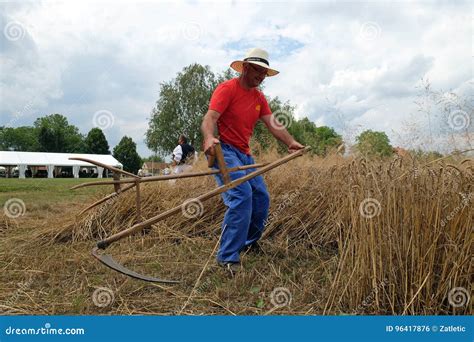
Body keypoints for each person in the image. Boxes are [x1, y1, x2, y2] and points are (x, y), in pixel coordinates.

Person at [201, 47, 304, 275]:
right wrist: (209, 137)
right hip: (224, 151)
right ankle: (227, 257)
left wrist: (291, 142)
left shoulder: (259, 98)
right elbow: (210, 117)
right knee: (241, 195)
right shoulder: (227, 89)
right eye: (257, 71)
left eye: (264, 74)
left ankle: (248, 242)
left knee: (261, 198)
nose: (260, 77)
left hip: (244, 154)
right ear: (245, 67)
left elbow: (272, 123)